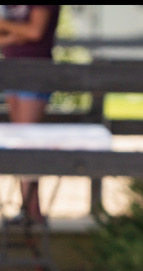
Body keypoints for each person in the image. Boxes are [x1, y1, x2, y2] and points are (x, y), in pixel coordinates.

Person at [0, 5, 60, 225]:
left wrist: (6, 27)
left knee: (27, 144)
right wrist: (13, 34)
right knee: (19, 144)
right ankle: (28, 209)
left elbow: (35, 32)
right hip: (11, 72)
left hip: (34, 74)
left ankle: (32, 212)